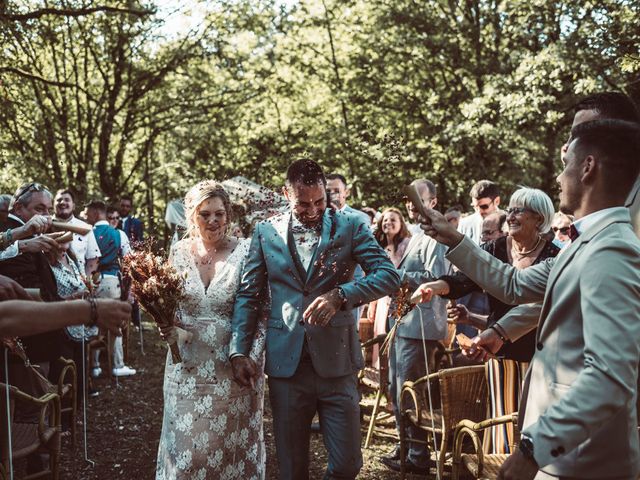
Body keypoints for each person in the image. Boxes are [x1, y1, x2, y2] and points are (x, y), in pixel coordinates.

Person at [418, 119, 640, 479]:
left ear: (588, 167)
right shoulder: (585, 243)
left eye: (566, 164)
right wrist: (452, 239)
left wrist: (533, 447)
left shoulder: (611, 250)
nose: (557, 177)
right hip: (565, 457)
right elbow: (513, 284)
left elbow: (610, 375)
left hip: (584, 461)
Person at [230, 159, 400, 480]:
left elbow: (388, 276)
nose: (313, 210)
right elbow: (249, 295)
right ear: (286, 194)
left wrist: (341, 295)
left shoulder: (350, 226)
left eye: (320, 201)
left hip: (338, 364)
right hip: (286, 366)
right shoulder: (265, 232)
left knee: (348, 465)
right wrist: (239, 350)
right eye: (303, 203)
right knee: (293, 469)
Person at [421, 187, 559, 455]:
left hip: (540, 355)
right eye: (511, 208)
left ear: (539, 219)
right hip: (499, 351)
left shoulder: (555, 256)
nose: (511, 214)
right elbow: (466, 278)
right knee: (502, 420)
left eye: (520, 210)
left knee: (534, 421)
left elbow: (540, 304)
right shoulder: (495, 248)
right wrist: (435, 287)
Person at [155, 180, 266, 479]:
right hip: (186, 367)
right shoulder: (177, 253)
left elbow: (260, 312)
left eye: (219, 214)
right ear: (192, 215)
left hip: (232, 370)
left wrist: (250, 359)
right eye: (205, 214)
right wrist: (171, 328)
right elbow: (171, 309)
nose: (213, 221)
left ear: (228, 215)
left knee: (229, 450)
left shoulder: (246, 251)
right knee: (184, 452)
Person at [379, 179, 448, 475]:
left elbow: (438, 275)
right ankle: (405, 445)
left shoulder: (438, 235)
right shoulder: (415, 235)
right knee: (396, 390)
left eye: (417, 200)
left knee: (411, 392)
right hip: (401, 322)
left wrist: (397, 276)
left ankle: (418, 455)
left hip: (421, 325)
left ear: (432, 202)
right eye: (408, 200)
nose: (411, 205)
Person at [85, 200, 136, 377]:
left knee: (95, 322)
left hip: (92, 281)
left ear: (96, 213)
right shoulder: (118, 234)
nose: (86, 216)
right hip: (111, 280)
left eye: (88, 212)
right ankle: (117, 364)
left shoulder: (87, 232)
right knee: (114, 323)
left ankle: (95, 366)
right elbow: (128, 260)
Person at [371, 207, 411, 368]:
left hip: (400, 300)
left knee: (396, 340)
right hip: (382, 299)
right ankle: (383, 378)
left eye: (393, 219)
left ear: (401, 224)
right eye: (386, 220)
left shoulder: (407, 245)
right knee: (381, 337)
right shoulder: (378, 246)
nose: (388, 222)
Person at [53, 189, 101, 277]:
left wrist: (86, 282)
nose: (62, 202)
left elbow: (93, 258)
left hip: (79, 281)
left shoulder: (85, 228)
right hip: (51, 282)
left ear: (74, 206)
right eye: (59, 200)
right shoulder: (44, 226)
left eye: (67, 200)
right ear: (53, 205)